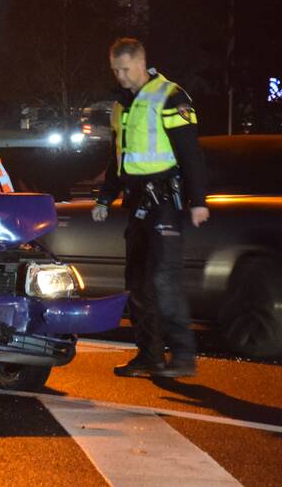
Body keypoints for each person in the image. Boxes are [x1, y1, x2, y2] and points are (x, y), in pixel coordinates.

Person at [92, 38, 209, 379]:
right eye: (115, 70)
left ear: (141, 65)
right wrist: (104, 197)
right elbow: (119, 157)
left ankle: (183, 356)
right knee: (137, 283)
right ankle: (149, 356)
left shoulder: (171, 96)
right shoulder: (122, 105)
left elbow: (190, 153)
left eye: (125, 69)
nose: (120, 76)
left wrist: (199, 201)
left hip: (165, 203)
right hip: (137, 202)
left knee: (164, 281)